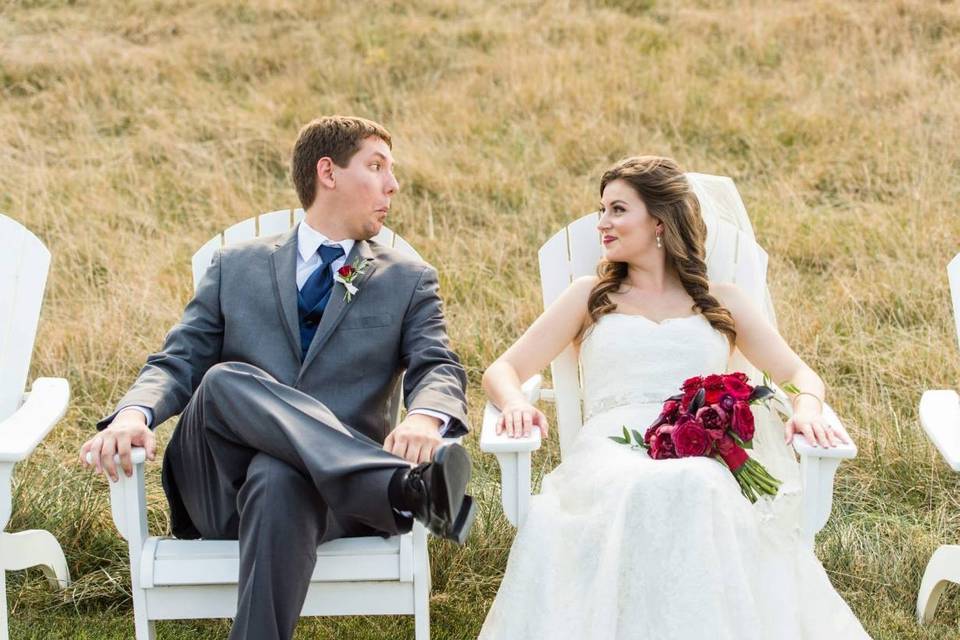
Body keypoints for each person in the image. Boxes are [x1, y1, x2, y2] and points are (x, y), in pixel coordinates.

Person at [78, 116, 476, 640]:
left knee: (279, 475)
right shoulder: (235, 265)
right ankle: (399, 488)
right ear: (327, 172)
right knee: (220, 380)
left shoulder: (405, 279)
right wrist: (134, 413)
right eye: (376, 167)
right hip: (219, 485)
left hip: (326, 500)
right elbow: (178, 360)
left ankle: (389, 487)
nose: (392, 185)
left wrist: (425, 418)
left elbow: (437, 364)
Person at [479, 156, 870, 639]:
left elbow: (798, 374)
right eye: (601, 210)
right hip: (609, 451)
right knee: (644, 486)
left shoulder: (720, 301)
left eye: (618, 210)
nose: (603, 222)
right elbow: (503, 369)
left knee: (694, 485)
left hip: (698, 453)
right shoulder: (590, 297)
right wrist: (517, 403)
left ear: (659, 221)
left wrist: (807, 405)